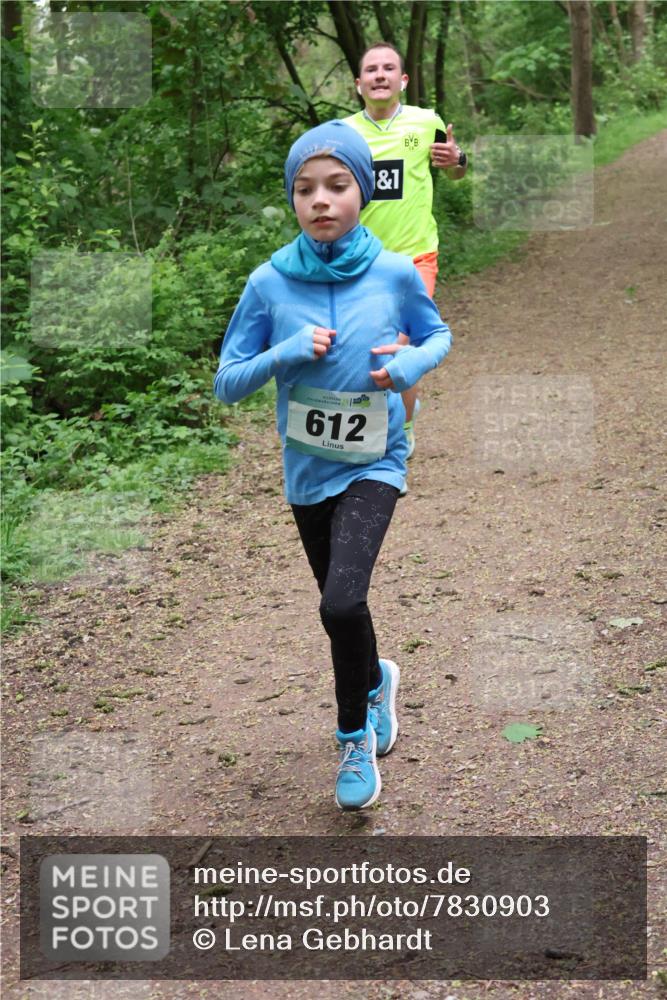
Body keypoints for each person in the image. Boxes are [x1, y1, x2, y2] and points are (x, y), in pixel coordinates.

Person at [213, 121, 452, 810]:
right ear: (292, 199)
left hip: (377, 459)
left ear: (362, 193)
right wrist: (284, 353)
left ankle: (352, 737)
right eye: (305, 189)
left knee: (340, 600)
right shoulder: (268, 283)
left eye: (337, 185)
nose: (321, 199)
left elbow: (437, 335)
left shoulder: (394, 272)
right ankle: (374, 678)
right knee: (339, 608)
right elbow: (227, 382)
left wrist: (409, 364)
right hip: (308, 471)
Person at [344, 42, 467, 458]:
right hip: (361, 260)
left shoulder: (426, 121)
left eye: (388, 68)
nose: (380, 75)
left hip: (416, 256)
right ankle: (392, 412)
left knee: (397, 345)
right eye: (371, 69)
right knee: (364, 347)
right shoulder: (342, 133)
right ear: (358, 83)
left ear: (403, 80)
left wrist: (457, 159)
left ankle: (400, 432)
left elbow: (455, 173)